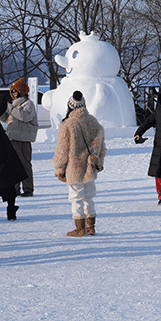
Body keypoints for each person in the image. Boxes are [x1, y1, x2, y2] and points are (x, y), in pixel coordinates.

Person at [53, 91, 107, 236]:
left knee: (76, 198)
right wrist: (98, 160)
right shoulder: (93, 121)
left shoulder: (67, 124)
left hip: (74, 167)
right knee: (89, 197)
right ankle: (91, 227)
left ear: (70, 106)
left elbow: (62, 149)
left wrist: (59, 168)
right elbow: (101, 143)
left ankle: (79, 228)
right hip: (90, 166)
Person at [134, 86, 161, 205]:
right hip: (159, 146)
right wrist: (138, 133)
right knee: (159, 173)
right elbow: (148, 122)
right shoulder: (158, 110)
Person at [3, 78, 39, 197]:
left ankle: (28, 189)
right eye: (12, 92)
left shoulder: (28, 104)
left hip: (23, 139)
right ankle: (15, 189)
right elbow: (5, 119)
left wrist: (10, 108)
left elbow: (24, 116)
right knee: (13, 165)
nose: (13, 94)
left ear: (22, 91)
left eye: (15, 91)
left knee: (24, 164)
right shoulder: (13, 105)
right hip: (12, 138)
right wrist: (1, 109)